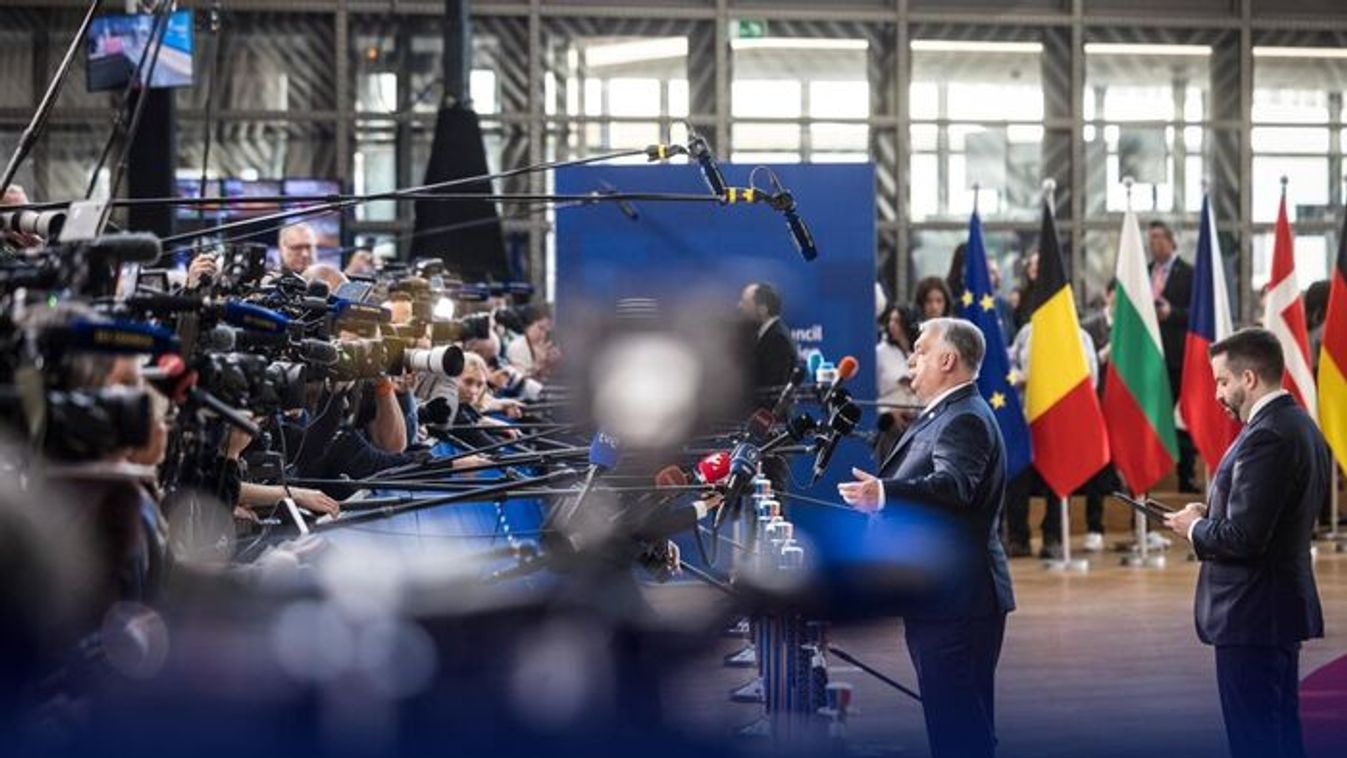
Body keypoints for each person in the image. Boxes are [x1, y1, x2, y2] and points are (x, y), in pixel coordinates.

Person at [838, 317, 1014, 758]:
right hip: (942, 599)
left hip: (959, 601)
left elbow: (953, 486)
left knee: (960, 730)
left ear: (947, 359)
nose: (911, 359)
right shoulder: (944, 413)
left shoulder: (965, 418)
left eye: (920, 350)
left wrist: (883, 495)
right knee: (953, 722)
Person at [1165, 327, 1330, 758]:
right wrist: (1210, 514)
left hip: (1253, 615)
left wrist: (1194, 528)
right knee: (1281, 738)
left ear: (1249, 378)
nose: (1218, 393)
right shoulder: (1298, 424)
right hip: (1271, 612)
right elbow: (1268, 516)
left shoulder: (1267, 435)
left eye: (1223, 381)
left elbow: (1245, 538)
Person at [1148, 220, 1197, 492]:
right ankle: (1150, 474)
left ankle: (1186, 476)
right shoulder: (1144, 271)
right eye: (1150, 238)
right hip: (1149, 358)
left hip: (1177, 357)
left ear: (1171, 240)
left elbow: (1197, 315)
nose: (1153, 243)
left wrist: (1172, 313)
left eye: (1158, 237)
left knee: (1180, 419)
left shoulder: (1188, 273)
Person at [874, 303, 920, 454]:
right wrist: (889, 411)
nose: (892, 324)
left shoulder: (919, 350)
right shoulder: (880, 352)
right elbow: (870, 390)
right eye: (891, 320)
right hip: (891, 426)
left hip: (919, 423)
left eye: (897, 321)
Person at [738, 282, 798, 398]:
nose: (739, 306)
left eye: (746, 303)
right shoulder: (762, 334)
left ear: (762, 310)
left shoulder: (778, 340)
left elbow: (773, 389)